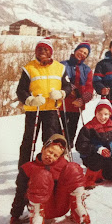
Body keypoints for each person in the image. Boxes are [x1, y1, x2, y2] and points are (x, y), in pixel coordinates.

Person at [10, 134, 90, 224]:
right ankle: (37, 218)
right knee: (41, 174)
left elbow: (75, 181)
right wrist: (15, 214)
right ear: (43, 149)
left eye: (55, 155)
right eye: (50, 152)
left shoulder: (62, 164)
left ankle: (77, 208)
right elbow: (20, 192)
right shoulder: (28, 168)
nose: (50, 156)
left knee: (73, 167)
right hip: (43, 208)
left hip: (62, 206)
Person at [16, 38, 72, 168]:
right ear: (35, 52)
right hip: (34, 110)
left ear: (50, 52)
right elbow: (20, 90)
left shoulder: (60, 68)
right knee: (28, 142)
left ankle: (49, 169)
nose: (42, 51)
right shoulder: (29, 68)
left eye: (45, 49)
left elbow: (68, 86)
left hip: (52, 110)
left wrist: (62, 93)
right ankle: (25, 171)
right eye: (39, 49)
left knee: (50, 142)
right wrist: (30, 99)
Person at [75, 99, 112, 189]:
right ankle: (89, 178)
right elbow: (80, 146)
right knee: (97, 160)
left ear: (110, 114)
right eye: (100, 114)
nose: (103, 117)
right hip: (91, 157)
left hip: (106, 157)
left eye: (106, 114)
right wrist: (97, 149)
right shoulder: (88, 128)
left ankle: (100, 173)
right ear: (95, 114)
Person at [60, 42, 94, 148]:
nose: (82, 54)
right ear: (75, 51)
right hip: (62, 104)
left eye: (85, 53)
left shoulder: (87, 69)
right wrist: (70, 89)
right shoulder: (62, 65)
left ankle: (67, 151)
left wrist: (82, 100)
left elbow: (89, 88)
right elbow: (58, 82)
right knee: (60, 130)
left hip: (77, 106)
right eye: (81, 51)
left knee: (71, 131)